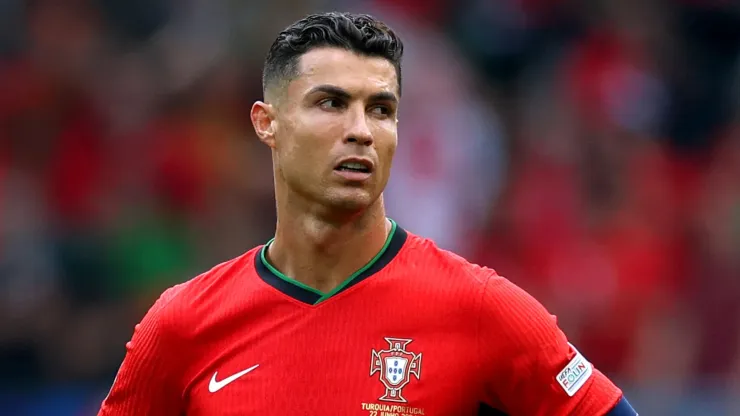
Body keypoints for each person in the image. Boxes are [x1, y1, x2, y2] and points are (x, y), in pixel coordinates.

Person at [98, 12, 638, 415]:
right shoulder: (183, 324)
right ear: (268, 123)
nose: (361, 129)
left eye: (381, 109)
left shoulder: (479, 307)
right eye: (330, 103)